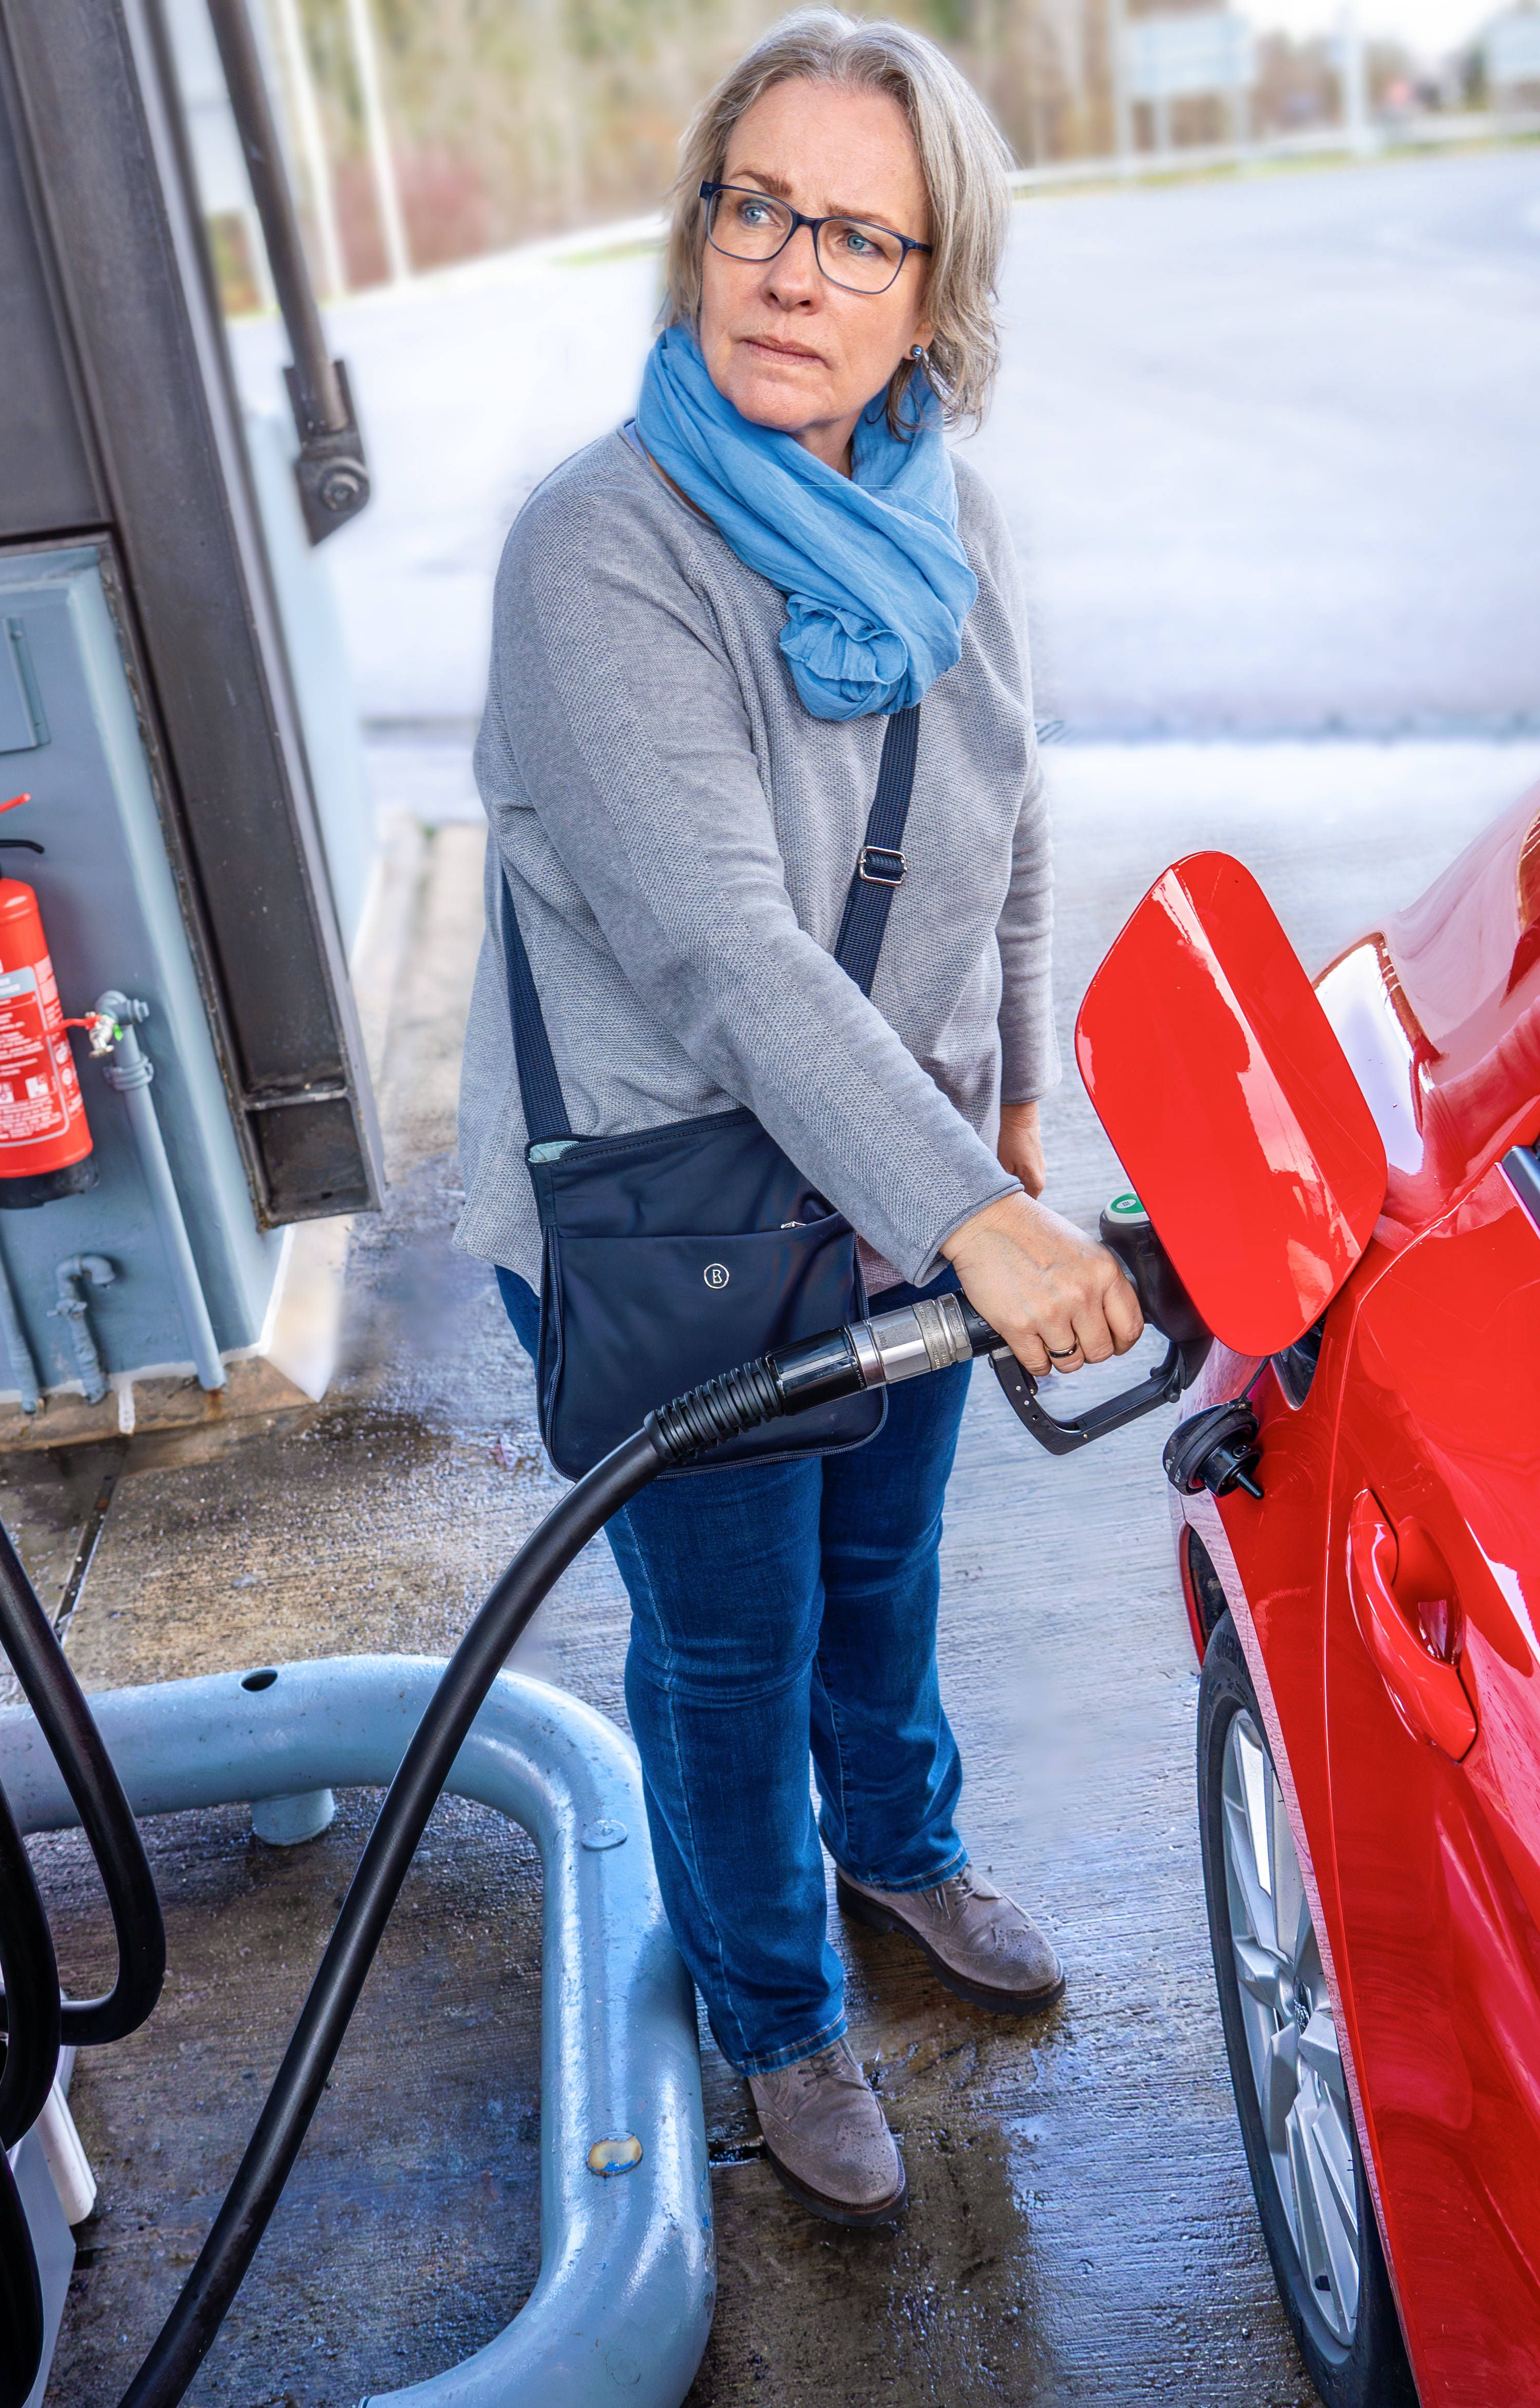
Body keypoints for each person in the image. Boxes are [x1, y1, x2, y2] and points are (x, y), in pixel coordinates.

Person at [455, 9, 1142, 2228]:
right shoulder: (603, 551)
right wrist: (981, 1219)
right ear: (699, 234)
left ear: (935, 296)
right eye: (758, 210)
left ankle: (906, 1848)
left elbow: (1009, 812)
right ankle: (771, 2005)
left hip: (911, 1182)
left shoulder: (952, 518)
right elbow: (729, 960)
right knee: (728, 1644)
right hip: (682, 1220)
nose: (791, 271)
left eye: (859, 234)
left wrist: (1013, 1103)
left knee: (887, 1566)